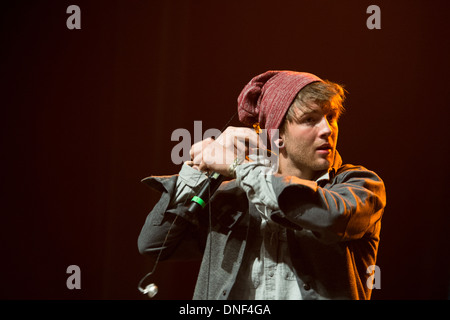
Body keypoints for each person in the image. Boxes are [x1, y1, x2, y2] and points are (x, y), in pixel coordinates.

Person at [138, 70, 387, 300]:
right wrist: (197, 169)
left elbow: (329, 216)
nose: (327, 130)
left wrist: (238, 167)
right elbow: (154, 243)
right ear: (276, 136)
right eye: (310, 119)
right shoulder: (233, 196)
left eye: (331, 117)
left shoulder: (360, 185)